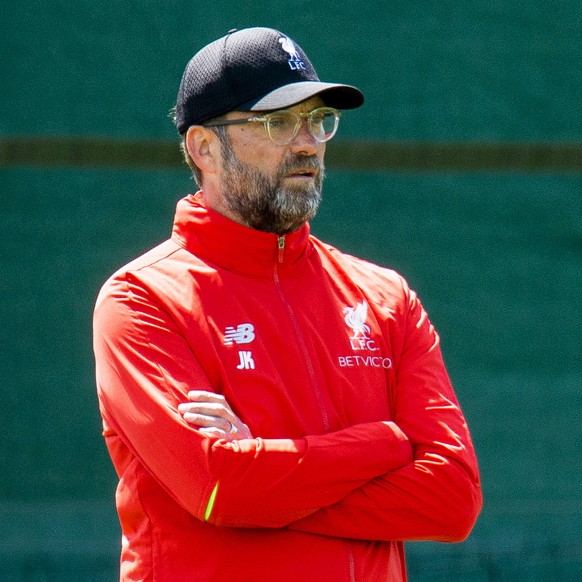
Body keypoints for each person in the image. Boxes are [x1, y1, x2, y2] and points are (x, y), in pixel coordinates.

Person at [93, 27, 482, 582]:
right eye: (277, 122)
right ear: (204, 147)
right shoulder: (142, 299)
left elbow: (452, 499)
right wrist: (384, 443)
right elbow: (219, 487)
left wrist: (266, 475)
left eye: (319, 120)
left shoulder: (385, 296)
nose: (307, 142)